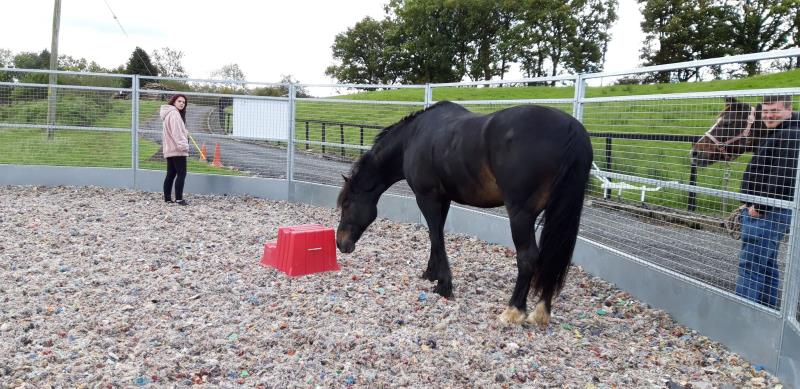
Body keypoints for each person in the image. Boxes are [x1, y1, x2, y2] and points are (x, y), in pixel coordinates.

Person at [736, 95, 799, 308]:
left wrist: (759, 207)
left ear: (789, 110)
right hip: (768, 208)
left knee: (751, 264)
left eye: (775, 110)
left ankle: (742, 315)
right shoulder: (782, 131)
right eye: (766, 111)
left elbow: (785, 176)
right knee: (766, 264)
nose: (769, 115)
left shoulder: (789, 134)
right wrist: (747, 200)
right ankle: (766, 312)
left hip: (768, 211)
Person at [161, 94, 190, 205]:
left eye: (184, 102)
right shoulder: (175, 114)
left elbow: (175, 131)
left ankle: (167, 199)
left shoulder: (169, 114)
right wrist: (184, 146)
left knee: (171, 174)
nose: (182, 103)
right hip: (178, 149)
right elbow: (176, 133)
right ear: (174, 102)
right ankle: (179, 199)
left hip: (170, 149)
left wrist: (185, 132)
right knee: (181, 174)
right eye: (179, 101)